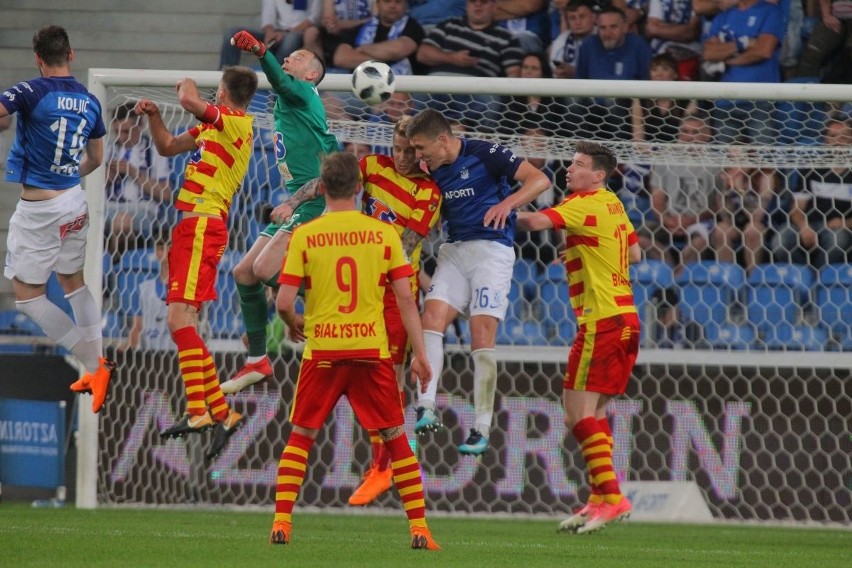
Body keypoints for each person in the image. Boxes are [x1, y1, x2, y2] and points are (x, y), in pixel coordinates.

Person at [271, 152, 440, 550]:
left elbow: (283, 301)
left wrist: (293, 322)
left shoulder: (306, 235)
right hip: (370, 351)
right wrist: (419, 354)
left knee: (301, 436)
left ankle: (281, 523)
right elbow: (405, 300)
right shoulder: (384, 236)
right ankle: (419, 529)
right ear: (361, 189)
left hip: (324, 350)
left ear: (324, 188)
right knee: (397, 439)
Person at [405, 108, 551, 455]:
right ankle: (426, 406)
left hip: (492, 251)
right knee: (431, 319)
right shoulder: (431, 169)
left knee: (481, 335)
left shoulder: (485, 152)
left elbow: (539, 180)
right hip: (454, 251)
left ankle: (482, 427)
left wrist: (508, 204)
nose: (418, 155)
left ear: (443, 140)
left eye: (421, 147)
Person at [515, 140, 641, 534]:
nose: (570, 169)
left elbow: (534, 223)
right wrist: (579, 252)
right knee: (592, 413)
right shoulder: (613, 203)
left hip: (602, 320)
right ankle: (599, 500)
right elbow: (634, 255)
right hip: (624, 318)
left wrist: (495, 208)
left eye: (579, 164)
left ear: (598, 175)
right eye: (571, 163)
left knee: (576, 415)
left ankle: (614, 497)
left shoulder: (583, 203)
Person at [134, 66, 258, 460]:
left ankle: (197, 410)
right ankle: (223, 414)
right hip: (193, 228)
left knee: (176, 322)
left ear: (223, 92)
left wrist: (185, 80)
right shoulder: (213, 129)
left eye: (217, 89)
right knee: (184, 323)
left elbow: (188, 98)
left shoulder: (237, 122)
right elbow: (168, 146)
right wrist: (155, 117)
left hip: (204, 225)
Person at [1, 25, 113, 413]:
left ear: (38, 59)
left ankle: (93, 364)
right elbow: (97, 159)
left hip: (39, 210)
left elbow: (1, 113)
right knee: (74, 284)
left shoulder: (31, 90)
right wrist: (66, 173)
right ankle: (96, 366)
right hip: (73, 201)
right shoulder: (89, 100)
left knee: (28, 300)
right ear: (71, 55)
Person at [219, 35, 339, 395]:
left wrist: (261, 52)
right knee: (243, 273)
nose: (289, 58)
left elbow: (281, 80)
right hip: (297, 200)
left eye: (297, 56)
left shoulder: (303, 93)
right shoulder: (294, 103)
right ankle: (257, 360)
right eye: (287, 55)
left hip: (314, 203)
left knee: (264, 270)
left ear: (312, 73)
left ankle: (328, 305)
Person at [348, 117, 442, 506]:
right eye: (396, 149)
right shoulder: (371, 167)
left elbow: (408, 241)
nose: (401, 158)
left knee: (390, 378)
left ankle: (384, 466)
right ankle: (384, 465)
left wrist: (374, 260)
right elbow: (335, 189)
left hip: (395, 290)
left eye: (409, 152)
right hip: (359, 287)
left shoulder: (429, 192)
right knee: (362, 378)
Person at [772, 117, 852, 268]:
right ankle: (804, 276)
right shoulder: (812, 169)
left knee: (838, 240)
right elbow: (796, 208)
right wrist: (804, 226)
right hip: (810, 224)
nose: (838, 142)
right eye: (833, 136)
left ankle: (821, 280)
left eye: (844, 136)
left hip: (839, 228)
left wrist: (844, 223)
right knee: (781, 240)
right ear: (825, 141)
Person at [701, 0, 784, 145]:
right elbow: (709, 53)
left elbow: (763, 50)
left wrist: (727, 58)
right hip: (725, 99)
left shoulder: (771, 11)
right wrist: (743, 43)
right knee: (726, 160)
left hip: (760, 98)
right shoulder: (724, 15)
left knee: (764, 160)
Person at [105, 102, 172, 257]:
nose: (121, 137)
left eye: (126, 132)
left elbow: (166, 194)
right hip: (107, 207)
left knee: (122, 222)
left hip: (142, 209)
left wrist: (134, 173)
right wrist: (109, 176)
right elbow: (94, 190)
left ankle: (112, 271)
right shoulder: (108, 150)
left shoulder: (155, 151)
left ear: (140, 125)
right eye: (117, 132)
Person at [574, 6, 652, 140]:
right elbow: (579, 82)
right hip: (592, 105)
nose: (607, 32)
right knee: (572, 100)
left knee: (612, 100)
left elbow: (647, 84)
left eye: (613, 27)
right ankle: (583, 147)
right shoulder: (588, 45)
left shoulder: (638, 45)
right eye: (603, 28)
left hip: (627, 106)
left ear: (625, 28)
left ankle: (619, 149)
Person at [324, 0, 426, 76]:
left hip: (402, 90)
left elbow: (398, 50)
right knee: (331, 100)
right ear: (378, 4)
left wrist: (363, 49)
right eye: (387, 1)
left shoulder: (413, 27)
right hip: (361, 88)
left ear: (405, 5)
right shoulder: (361, 28)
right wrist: (389, 58)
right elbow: (341, 58)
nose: (392, 5)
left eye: (398, 2)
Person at [116, 235, 178, 352]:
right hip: (151, 356)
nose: (167, 252)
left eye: (170, 247)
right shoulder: (143, 289)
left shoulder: (188, 288)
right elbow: (137, 327)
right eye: (161, 248)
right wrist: (127, 346)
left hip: (179, 357)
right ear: (156, 253)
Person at [219, 0, 322, 69]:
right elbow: (268, 18)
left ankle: (275, 83)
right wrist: (270, 33)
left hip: (299, 33)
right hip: (275, 32)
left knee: (290, 40)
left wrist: (286, 33)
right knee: (233, 33)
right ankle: (225, 81)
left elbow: (315, 18)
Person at [548, 0, 598, 78]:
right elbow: (555, 65)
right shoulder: (562, 40)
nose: (577, 22)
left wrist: (576, 72)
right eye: (572, 18)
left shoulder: (603, 36)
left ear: (593, 17)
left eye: (582, 16)